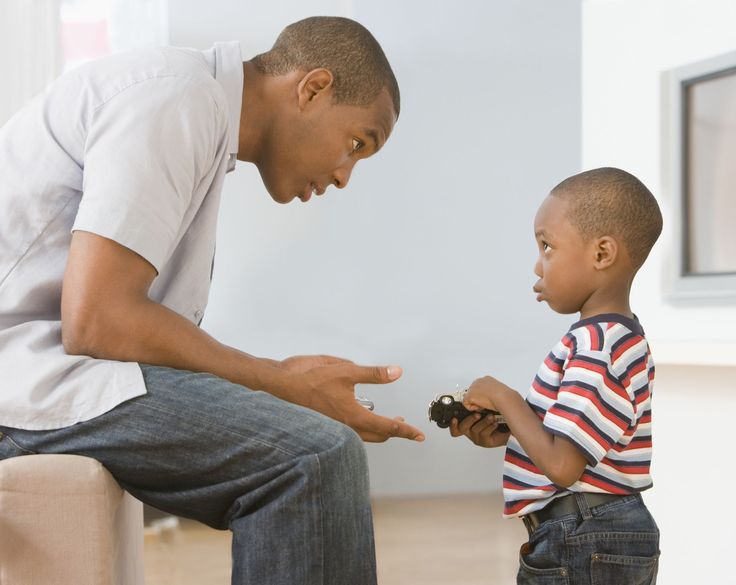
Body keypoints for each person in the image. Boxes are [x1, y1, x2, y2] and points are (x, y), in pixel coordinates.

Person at [0, 16, 424, 585]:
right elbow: (97, 321)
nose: (345, 175)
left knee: (318, 451)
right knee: (312, 459)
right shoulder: (177, 96)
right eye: (355, 143)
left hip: (46, 365)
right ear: (313, 87)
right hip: (22, 373)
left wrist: (275, 381)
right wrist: (276, 380)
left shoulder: (193, 106)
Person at [449, 167, 662, 584]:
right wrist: (513, 429)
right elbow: (574, 441)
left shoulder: (598, 345)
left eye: (547, 246)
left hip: (585, 534)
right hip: (592, 532)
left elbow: (564, 466)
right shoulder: (608, 338)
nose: (537, 266)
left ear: (602, 254)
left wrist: (504, 396)